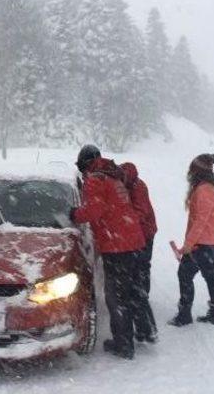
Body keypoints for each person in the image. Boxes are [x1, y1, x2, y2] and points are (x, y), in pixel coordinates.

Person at [70, 145, 155, 359]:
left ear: (85, 164)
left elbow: (95, 209)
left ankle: (123, 344)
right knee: (133, 290)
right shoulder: (113, 174)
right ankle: (145, 330)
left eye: (81, 167)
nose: (82, 172)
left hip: (116, 245)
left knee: (116, 297)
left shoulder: (95, 178)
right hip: (134, 241)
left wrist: (74, 214)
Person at [168, 153, 214, 327]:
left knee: (184, 274)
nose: (189, 173)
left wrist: (188, 245)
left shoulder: (204, 190)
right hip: (213, 240)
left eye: (192, 170)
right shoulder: (212, 186)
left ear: (197, 171)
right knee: (211, 276)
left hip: (204, 242)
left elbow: (201, 220)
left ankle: (185, 314)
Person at [120, 162, 158, 342]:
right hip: (144, 232)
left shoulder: (137, 187)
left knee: (141, 269)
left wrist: (121, 217)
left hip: (145, 234)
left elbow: (140, 213)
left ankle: (144, 298)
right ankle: (143, 295)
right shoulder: (135, 184)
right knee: (142, 269)